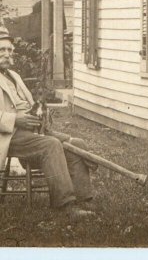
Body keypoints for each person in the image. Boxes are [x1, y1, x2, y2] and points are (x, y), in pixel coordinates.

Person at [0, 27, 94, 218]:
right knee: (51, 145)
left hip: (33, 130)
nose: (7, 54)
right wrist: (16, 119)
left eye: (9, 50)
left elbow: (29, 104)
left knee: (76, 143)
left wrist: (39, 112)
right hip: (10, 136)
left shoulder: (13, 75)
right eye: (2, 50)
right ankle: (65, 205)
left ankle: (84, 199)